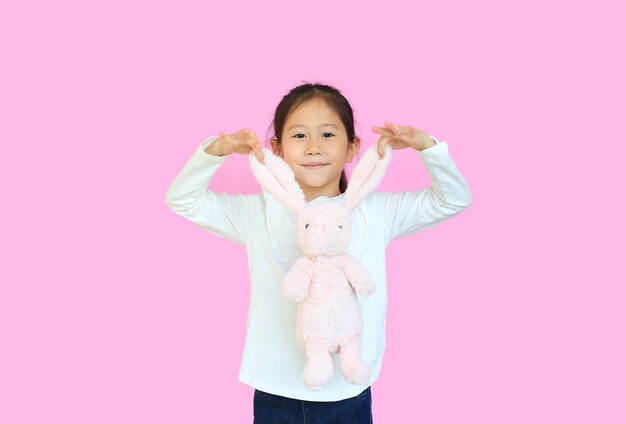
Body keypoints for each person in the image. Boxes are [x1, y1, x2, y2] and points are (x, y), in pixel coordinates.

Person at [165, 82, 472, 423]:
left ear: (353, 147)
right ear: (277, 150)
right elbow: (183, 200)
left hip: (348, 391)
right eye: (299, 136)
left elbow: (453, 199)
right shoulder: (258, 214)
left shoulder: (373, 211)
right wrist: (215, 152)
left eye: (327, 135)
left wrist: (427, 148)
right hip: (276, 391)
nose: (313, 148)